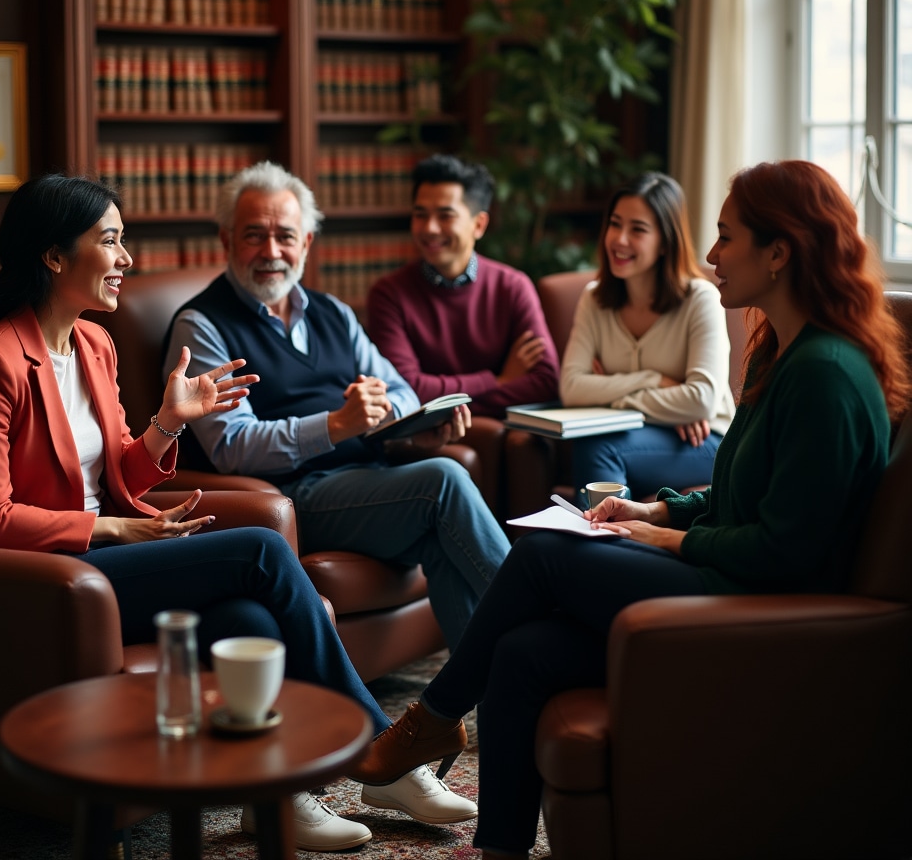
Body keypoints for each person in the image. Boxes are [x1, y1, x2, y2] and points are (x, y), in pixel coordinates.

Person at [351, 160, 912, 860]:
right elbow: (740, 493)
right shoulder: (783, 351)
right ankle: (498, 848)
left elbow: (785, 551)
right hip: (737, 579)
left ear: (779, 252)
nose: (711, 255)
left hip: (767, 607)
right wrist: (657, 509)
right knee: (520, 653)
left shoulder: (825, 373)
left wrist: (664, 541)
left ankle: (431, 717)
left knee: (543, 554)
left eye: (727, 236)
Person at [0, 174, 476, 851]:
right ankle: (381, 752)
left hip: (106, 558)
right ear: (53, 255)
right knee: (259, 548)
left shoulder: (94, 345)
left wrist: (168, 422)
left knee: (248, 619)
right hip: (50, 575)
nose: (126, 258)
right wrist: (111, 527)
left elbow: (119, 473)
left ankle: (275, 794)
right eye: (110, 241)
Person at [162, 160, 511, 654]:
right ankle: (537, 617)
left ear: (306, 242)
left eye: (285, 236)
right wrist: (334, 425)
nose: (271, 252)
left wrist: (402, 428)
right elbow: (231, 445)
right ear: (226, 240)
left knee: (441, 536)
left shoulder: (333, 313)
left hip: (366, 481)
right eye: (254, 235)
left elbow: (401, 391)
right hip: (289, 494)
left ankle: (474, 694)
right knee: (443, 480)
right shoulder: (201, 325)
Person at [558, 171, 736, 505]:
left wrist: (610, 392)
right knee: (597, 446)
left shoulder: (700, 299)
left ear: (666, 241)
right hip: (637, 437)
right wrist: (655, 382)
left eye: (637, 229)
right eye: (615, 224)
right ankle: (609, 534)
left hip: (704, 440)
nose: (620, 239)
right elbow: (572, 389)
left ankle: (602, 535)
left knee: (598, 447)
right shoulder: (594, 299)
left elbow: (701, 400)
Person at [366, 154, 560, 419]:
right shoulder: (389, 294)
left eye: (445, 216)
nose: (430, 228)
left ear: (479, 225)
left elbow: (546, 383)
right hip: (429, 437)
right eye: (420, 215)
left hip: (498, 431)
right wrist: (497, 381)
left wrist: (443, 403)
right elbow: (406, 390)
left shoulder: (513, 287)